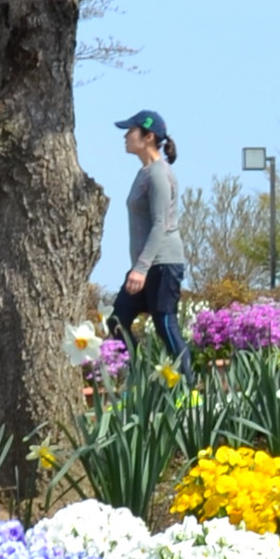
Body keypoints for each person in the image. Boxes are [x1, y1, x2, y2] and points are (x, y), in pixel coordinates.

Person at [113, 109, 189, 368]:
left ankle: (191, 391)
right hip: (145, 266)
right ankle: (141, 377)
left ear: (148, 137)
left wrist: (141, 269)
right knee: (117, 321)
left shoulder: (158, 174)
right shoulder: (144, 172)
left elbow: (160, 225)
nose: (125, 136)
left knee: (165, 323)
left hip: (162, 263)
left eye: (131, 130)